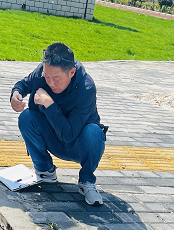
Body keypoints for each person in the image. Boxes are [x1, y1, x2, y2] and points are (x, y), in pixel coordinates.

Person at [10, 42, 107, 206]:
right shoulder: (43, 72)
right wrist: (15, 94)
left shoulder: (86, 88)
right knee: (26, 117)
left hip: (78, 144)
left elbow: (68, 136)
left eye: (56, 78)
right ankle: (45, 172)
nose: (50, 83)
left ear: (72, 72)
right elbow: (24, 83)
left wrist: (48, 103)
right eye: (47, 76)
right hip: (53, 137)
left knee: (94, 132)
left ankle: (86, 181)